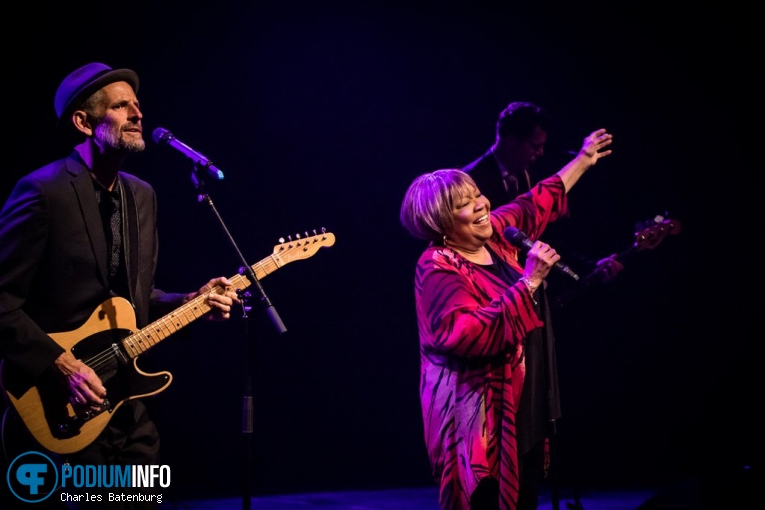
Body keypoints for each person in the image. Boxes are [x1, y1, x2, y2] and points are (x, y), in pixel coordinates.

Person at [0, 62, 240, 509]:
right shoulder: (42, 192)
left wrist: (189, 301)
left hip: (128, 409)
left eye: (137, 104)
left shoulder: (142, 195)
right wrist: (64, 367)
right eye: (121, 106)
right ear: (83, 121)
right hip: (61, 406)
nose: (137, 113)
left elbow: (134, 300)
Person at [399, 127, 613, 509]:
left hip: (523, 401)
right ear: (441, 222)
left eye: (478, 194)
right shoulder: (437, 266)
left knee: (526, 497)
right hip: (478, 418)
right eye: (465, 203)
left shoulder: (498, 236)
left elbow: (534, 202)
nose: (482, 204)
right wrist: (528, 282)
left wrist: (583, 160)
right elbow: (464, 335)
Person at [462, 101, 624, 285]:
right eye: (534, 145)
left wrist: (590, 267)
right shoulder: (469, 183)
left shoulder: (533, 174)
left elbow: (549, 238)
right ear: (512, 141)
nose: (540, 152)